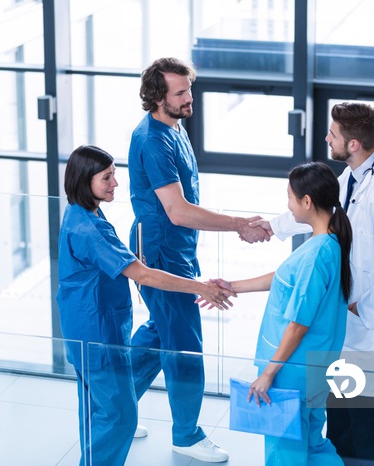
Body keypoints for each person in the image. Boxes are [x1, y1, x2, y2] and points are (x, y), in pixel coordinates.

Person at [252, 102, 374, 465]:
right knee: (339, 422)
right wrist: (271, 227)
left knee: (363, 425)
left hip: (369, 328)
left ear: (355, 143)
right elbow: (321, 212)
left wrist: (363, 307)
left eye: (333, 134)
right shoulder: (351, 178)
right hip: (345, 331)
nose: (327, 138)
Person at [56, 145, 234, 466]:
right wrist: (200, 287)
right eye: (107, 178)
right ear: (85, 181)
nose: (115, 184)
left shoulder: (81, 212)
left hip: (85, 329)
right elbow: (141, 273)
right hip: (98, 336)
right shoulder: (89, 230)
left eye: (114, 175)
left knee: (100, 408)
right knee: (119, 417)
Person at [127, 57, 265, 463]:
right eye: (180, 93)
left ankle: (110, 403)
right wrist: (239, 224)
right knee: (185, 345)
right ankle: (186, 435)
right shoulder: (152, 140)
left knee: (159, 332)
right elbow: (178, 211)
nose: (190, 98)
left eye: (190, 89)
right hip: (162, 254)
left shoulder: (175, 127)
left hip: (177, 250)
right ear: (156, 97)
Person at [210, 162, 351, 465]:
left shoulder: (316, 254)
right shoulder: (327, 244)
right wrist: (231, 285)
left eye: (289, 197)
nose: (287, 204)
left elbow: (298, 325)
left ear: (307, 202)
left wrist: (268, 374)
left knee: (284, 454)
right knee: (314, 447)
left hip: (291, 376)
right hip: (312, 373)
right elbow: (284, 277)